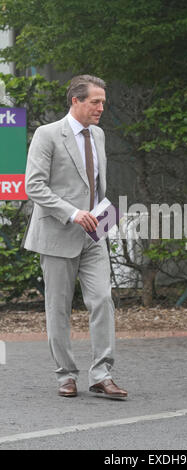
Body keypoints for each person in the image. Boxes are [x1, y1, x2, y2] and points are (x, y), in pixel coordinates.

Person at [23, 75, 127, 399]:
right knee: (58, 308)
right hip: (57, 233)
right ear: (76, 101)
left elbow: (96, 186)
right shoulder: (47, 134)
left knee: (102, 300)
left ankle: (102, 373)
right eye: (95, 102)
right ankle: (66, 375)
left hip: (94, 235)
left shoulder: (99, 134)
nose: (101, 108)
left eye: (103, 102)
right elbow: (34, 185)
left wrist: (105, 219)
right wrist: (71, 213)